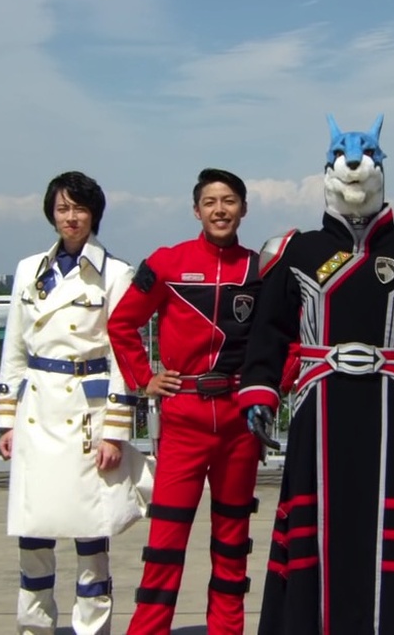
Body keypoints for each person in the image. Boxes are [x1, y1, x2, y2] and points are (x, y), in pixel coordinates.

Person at [238, 114, 394, 635]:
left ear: (380, 172)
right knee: (318, 527)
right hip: (318, 410)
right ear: (327, 174)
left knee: (393, 528)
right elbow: (269, 331)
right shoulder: (296, 250)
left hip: (390, 410)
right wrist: (260, 391)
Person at [107, 168, 294, 635]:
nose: (219, 210)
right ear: (196, 210)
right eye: (210, 202)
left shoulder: (263, 269)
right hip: (183, 417)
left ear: (243, 209)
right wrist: (145, 378)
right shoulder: (166, 263)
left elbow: (291, 337)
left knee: (233, 541)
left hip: (239, 421)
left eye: (229, 201)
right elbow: (122, 323)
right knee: (165, 542)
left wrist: (273, 387)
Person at [0, 171, 150, 635]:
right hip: (38, 411)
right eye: (62, 208)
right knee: (33, 534)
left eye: (79, 208)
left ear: (93, 214)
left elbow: (123, 354)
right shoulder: (29, 269)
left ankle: (93, 627)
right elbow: (14, 349)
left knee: (91, 536)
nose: (70, 217)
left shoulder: (116, 273)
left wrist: (116, 432)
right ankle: (34, 626)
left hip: (87, 414)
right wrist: (7, 420)